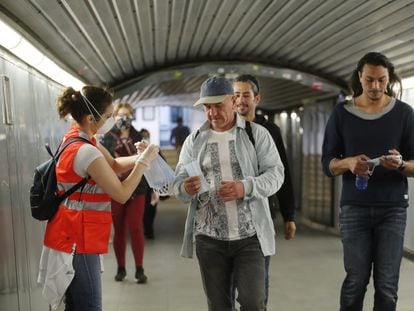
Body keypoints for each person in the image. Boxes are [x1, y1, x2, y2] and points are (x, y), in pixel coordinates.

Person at [38, 86, 158, 311]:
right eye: (109, 116)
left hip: (71, 233)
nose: (112, 120)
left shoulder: (79, 138)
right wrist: (143, 164)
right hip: (77, 238)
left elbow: (113, 165)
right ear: (91, 118)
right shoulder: (86, 152)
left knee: (76, 304)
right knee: (89, 305)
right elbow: (122, 194)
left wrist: (140, 156)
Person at [172, 76, 285, 311]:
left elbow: (276, 174)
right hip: (209, 238)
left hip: (250, 237)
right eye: (207, 107)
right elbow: (178, 182)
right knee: (219, 306)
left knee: (253, 303)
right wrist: (185, 188)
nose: (213, 113)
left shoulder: (257, 134)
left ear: (233, 101)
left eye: (218, 106)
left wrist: (245, 187)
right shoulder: (194, 141)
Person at [321, 52, 414, 311]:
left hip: (393, 209)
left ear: (389, 79)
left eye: (382, 80)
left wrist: (402, 164)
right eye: (370, 80)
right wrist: (348, 163)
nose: (375, 86)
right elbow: (327, 163)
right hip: (354, 209)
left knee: (387, 287)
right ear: (359, 77)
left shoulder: (404, 114)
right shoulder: (342, 113)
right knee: (355, 281)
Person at [234, 74, 296, 307]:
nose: (240, 100)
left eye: (246, 95)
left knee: (258, 286)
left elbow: (283, 173)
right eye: (236, 95)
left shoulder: (270, 130)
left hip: (262, 216)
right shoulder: (224, 129)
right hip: (231, 218)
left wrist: (289, 215)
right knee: (229, 287)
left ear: (257, 98)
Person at [100, 103, 149, 283]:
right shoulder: (107, 138)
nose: (123, 119)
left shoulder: (140, 137)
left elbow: (149, 163)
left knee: (135, 227)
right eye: (119, 116)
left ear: (132, 116)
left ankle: (139, 268)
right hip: (115, 188)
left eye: (126, 115)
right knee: (119, 229)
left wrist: (154, 191)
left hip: (138, 188)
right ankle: (121, 268)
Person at [140, 128, 160, 239]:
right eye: (143, 136)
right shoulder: (136, 151)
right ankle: (147, 229)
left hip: (152, 186)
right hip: (142, 186)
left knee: (151, 209)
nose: (145, 138)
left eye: (146, 136)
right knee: (144, 209)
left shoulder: (155, 150)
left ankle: (149, 229)